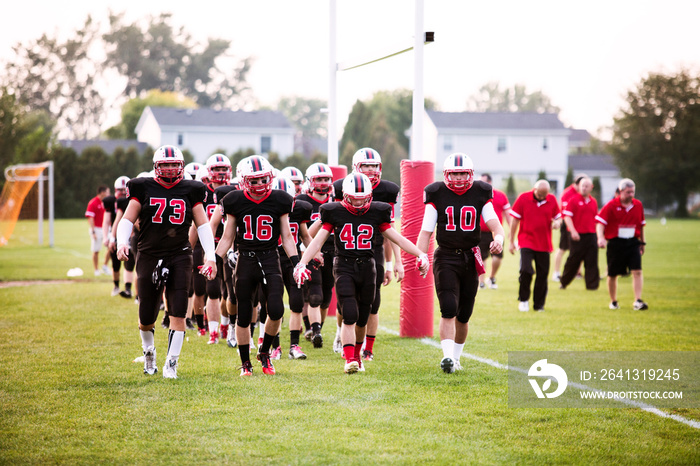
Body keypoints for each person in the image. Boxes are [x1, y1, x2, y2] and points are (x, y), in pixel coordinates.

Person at [294, 173, 429, 374]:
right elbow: (317, 241)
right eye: (353, 198)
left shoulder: (378, 212)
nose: (358, 202)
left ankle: (357, 355)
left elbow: (397, 238)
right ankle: (349, 359)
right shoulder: (334, 212)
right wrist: (302, 263)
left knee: (363, 317)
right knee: (349, 313)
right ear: (344, 196)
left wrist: (420, 253)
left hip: (368, 267)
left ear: (370, 196)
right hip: (344, 266)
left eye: (362, 198)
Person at [116, 145, 217, 379]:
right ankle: (149, 351)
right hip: (150, 254)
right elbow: (127, 219)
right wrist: (122, 242)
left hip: (180, 254)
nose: (171, 169)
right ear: (156, 167)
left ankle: (171, 363)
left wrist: (210, 256)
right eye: (166, 165)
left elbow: (202, 225)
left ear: (181, 166)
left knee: (179, 310)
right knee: (146, 316)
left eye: (174, 164)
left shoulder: (191, 189)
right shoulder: (143, 187)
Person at [416, 153, 504, 374]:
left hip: (470, 256)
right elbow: (426, 231)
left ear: (470, 174)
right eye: (454, 173)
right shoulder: (436, 193)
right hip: (445, 256)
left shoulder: (480, 191)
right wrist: (422, 255)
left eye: (462, 173)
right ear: (447, 174)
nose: (458, 177)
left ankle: (456, 358)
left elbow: (494, 223)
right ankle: (446, 357)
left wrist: (499, 239)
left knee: (464, 314)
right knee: (448, 307)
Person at [215, 155, 300, 377]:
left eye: (263, 180)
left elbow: (287, 236)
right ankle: (245, 362)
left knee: (277, 309)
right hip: (245, 259)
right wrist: (213, 260)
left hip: (271, 257)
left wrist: (296, 263)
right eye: (254, 181)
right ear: (244, 181)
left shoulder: (280, 199)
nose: (260, 185)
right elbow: (226, 237)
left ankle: (264, 352)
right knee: (244, 314)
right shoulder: (234, 200)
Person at [332, 148, 401, 361]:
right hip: (346, 251)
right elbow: (334, 223)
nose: (371, 170)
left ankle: (368, 349)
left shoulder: (387, 190)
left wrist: (391, 264)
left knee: (373, 302)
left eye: (374, 166)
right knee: (346, 306)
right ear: (356, 167)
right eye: (366, 166)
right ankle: (342, 331)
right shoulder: (341, 186)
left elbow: (389, 231)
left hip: (374, 250)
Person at [295, 163, 335, 349]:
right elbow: (304, 234)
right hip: (309, 250)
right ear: (310, 181)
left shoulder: (338, 200)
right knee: (315, 295)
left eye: (326, 179)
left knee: (326, 297)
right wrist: (323, 219)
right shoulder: (302, 202)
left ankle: (315, 328)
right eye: (319, 179)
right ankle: (315, 330)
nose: (323, 182)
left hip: (333, 251)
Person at [509, 180, 561, 312]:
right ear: (534, 189)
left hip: (544, 243)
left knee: (542, 275)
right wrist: (511, 241)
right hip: (526, 240)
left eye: (545, 194)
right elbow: (515, 220)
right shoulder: (523, 198)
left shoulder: (552, 199)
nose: (542, 197)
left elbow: (558, 217)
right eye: (540, 194)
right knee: (526, 270)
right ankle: (524, 299)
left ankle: (539, 305)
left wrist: (557, 223)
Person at [596, 178, 648, 311]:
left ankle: (638, 300)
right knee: (613, 273)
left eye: (633, 192)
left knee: (637, 271)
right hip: (615, 242)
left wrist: (642, 242)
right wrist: (601, 238)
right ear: (620, 191)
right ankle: (613, 301)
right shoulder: (611, 205)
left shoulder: (638, 205)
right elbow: (600, 223)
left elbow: (641, 225)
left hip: (632, 242)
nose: (631, 195)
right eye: (628, 192)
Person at [559, 176, 600, 290]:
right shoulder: (573, 200)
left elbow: (595, 218)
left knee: (592, 260)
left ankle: (592, 286)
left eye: (586, 186)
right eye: (582, 186)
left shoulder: (593, 201)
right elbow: (567, 217)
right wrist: (573, 231)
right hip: (577, 236)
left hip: (591, 234)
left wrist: (598, 235)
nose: (584, 188)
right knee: (573, 260)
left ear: (591, 187)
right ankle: (564, 282)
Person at [477, 173, 511, 289]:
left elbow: (508, 213)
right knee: (481, 257)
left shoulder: (501, 195)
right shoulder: (476, 195)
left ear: (490, 182)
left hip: (496, 232)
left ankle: (491, 277)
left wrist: (511, 229)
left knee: (497, 256)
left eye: (483, 181)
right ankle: (481, 282)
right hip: (480, 231)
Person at [552, 174, 587, 281]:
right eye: (582, 185)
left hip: (579, 226)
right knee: (562, 248)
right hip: (567, 225)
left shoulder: (582, 194)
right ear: (577, 184)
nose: (584, 188)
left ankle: (577, 272)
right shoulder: (568, 193)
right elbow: (565, 211)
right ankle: (556, 273)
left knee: (579, 250)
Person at [103, 176, 132, 297]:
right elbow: (107, 220)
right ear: (115, 189)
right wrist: (108, 237)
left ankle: (127, 288)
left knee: (130, 262)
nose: (123, 192)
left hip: (130, 233)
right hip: (115, 233)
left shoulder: (132, 200)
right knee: (115, 262)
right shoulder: (111, 201)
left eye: (125, 189)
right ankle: (116, 286)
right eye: (120, 189)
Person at [85, 185, 110, 276]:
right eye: (107, 192)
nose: (109, 194)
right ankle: (96, 269)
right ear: (102, 192)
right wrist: (93, 231)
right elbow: (90, 217)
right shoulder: (93, 202)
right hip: (97, 228)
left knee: (111, 247)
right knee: (96, 250)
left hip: (106, 228)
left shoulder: (107, 202)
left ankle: (105, 266)